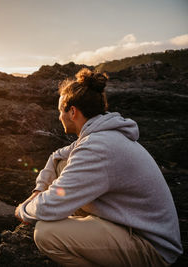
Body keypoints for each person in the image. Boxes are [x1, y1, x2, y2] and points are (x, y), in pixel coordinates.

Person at [15, 68, 183, 266]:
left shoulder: (97, 148)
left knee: (46, 234)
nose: (59, 117)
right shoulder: (101, 135)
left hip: (152, 247)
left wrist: (23, 209)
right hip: (130, 223)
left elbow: (49, 206)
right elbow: (57, 157)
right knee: (63, 165)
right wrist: (38, 189)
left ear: (72, 111)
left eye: (60, 111)